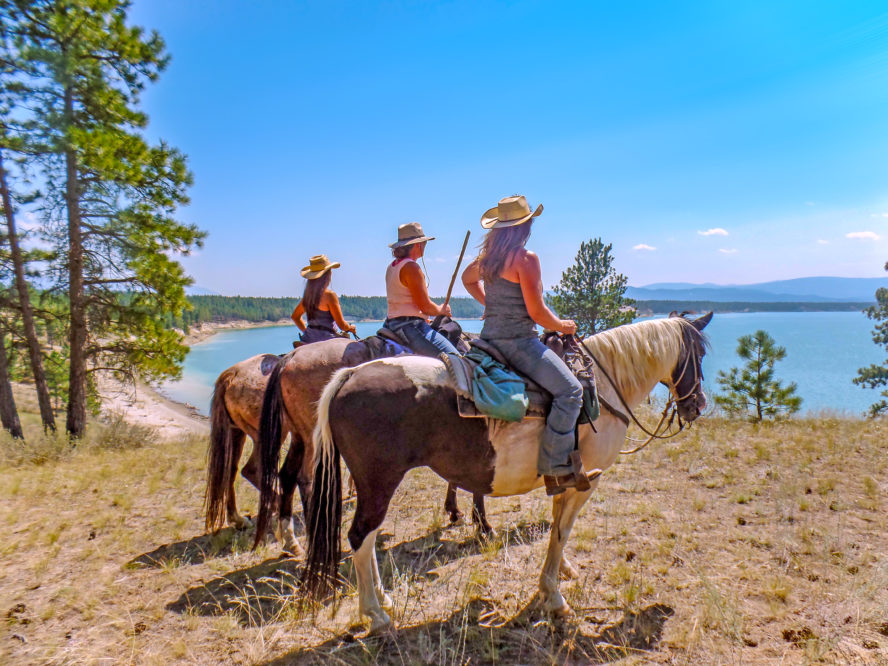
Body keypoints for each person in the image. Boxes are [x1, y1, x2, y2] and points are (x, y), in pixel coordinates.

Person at [461, 195, 590, 495]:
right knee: (571, 391)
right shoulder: (526, 259)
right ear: (525, 226)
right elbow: (537, 312)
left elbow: (468, 280)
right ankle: (556, 468)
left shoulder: (488, 259)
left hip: (489, 340)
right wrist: (563, 326)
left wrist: (490, 304)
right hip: (520, 343)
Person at [383, 222, 459, 357]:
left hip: (390, 324)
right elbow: (425, 307)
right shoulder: (412, 268)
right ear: (418, 244)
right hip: (410, 326)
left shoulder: (392, 266)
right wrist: (442, 310)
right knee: (456, 358)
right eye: (424, 243)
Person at [291, 254, 356, 343]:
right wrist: (351, 327)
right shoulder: (329, 295)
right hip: (328, 339)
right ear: (327, 275)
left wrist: (307, 332)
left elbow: (295, 316)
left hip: (308, 339)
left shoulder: (308, 297)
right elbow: (342, 325)